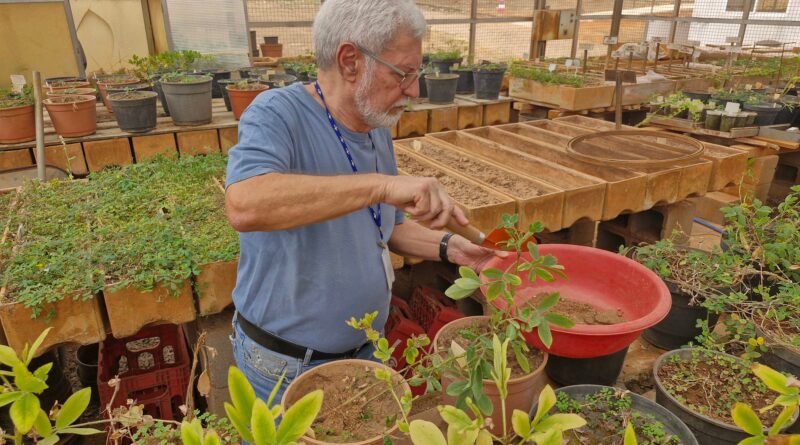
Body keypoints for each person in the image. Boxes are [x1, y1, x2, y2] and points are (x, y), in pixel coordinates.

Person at [224, 0, 505, 403]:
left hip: (366, 350)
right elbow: (245, 205)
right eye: (404, 73)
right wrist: (381, 185)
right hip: (287, 367)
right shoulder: (276, 114)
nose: (414, 89)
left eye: (417, 72)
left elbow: (386, 228)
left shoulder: (374, 126)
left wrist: (452, 248)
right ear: (351, 61)